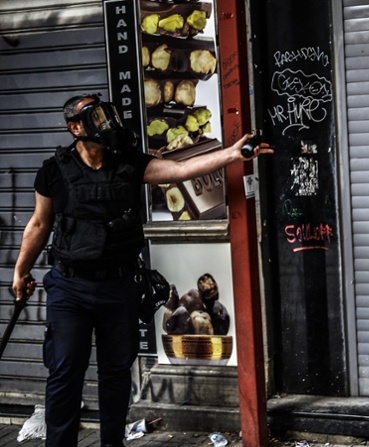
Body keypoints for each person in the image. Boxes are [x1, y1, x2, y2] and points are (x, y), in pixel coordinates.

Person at [11, 93, 273, 447]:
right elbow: (39, 225)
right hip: (70, 288)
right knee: (64, 374)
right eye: (94, 118)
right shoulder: (53, 171)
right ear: (75, 128)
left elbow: (181, 170)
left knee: (116, 374)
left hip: (119, 286)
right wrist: (21, 271)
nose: (105, 123)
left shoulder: (130, 163)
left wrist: (233, 153)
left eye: (106, 115)